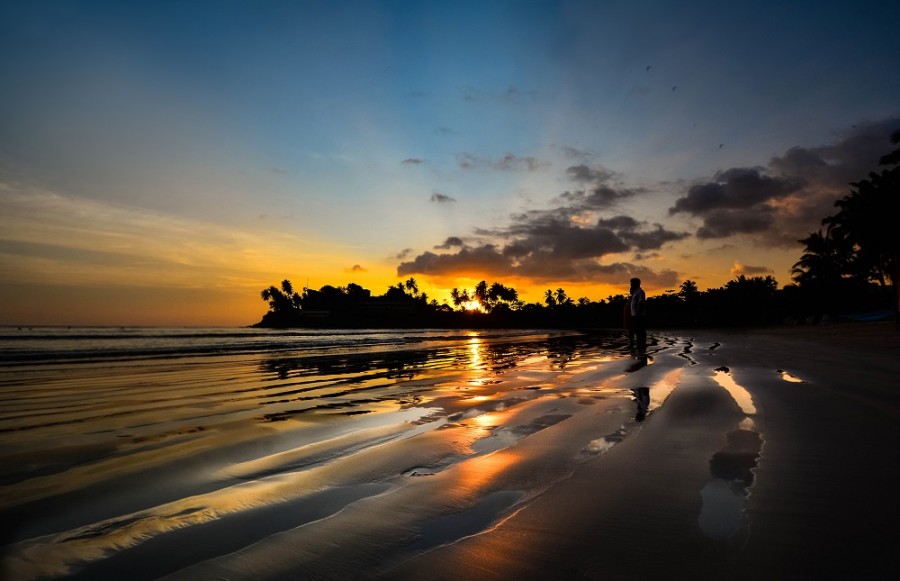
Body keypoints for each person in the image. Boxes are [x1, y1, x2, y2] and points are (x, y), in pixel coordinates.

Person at [629, 277, 646, 355]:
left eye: (632, 283)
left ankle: (641, 351)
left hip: (638, 316)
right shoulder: (635, 293)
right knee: (637, 333)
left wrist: (637, 315)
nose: (630, 285)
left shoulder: (640, 292)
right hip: (635, 316)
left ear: (636, 284)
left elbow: (641, 303)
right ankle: (639, 350)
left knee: (640, 334)